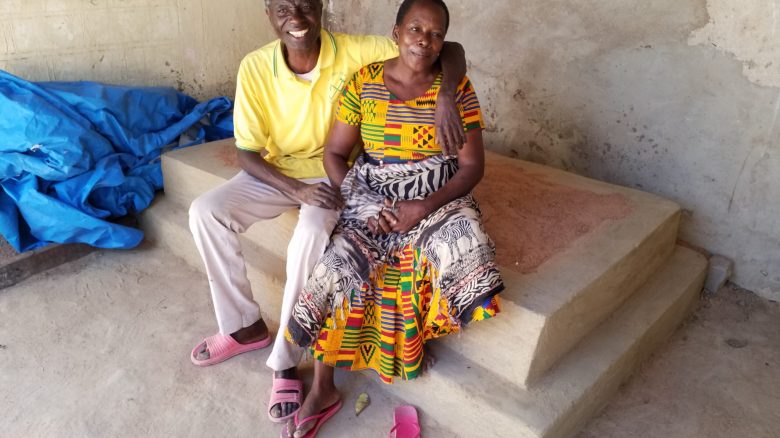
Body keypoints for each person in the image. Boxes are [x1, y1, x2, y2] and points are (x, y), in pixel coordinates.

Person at [187, 0, 469, 425]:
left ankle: (286, 361)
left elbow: (445, 48)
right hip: (279, 173)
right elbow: (246, 152)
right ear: (269, 14)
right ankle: (243, 326)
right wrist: (296, 189)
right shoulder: (256, 66)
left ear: (320, 9)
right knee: (205, 212)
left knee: (310, 238)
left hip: (335, 176)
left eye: (305, 5)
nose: (296, 19)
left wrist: (447, 93)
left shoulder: (356, 50)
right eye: (284, 8)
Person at [283, 0, 504, 436]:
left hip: (435, 194)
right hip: (373, 193)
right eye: (415, 29)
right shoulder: (365, 81)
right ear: (396, 32)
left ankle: (413, 339)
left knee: (463, 238)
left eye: (436, 33)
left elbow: (471, 167)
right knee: (341, 262)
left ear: (443, 41)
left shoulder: (457, 89)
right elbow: (334, 155)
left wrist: (424, 206)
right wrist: (369, 205)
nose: (424, 40)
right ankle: (323, 387)